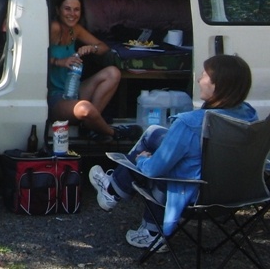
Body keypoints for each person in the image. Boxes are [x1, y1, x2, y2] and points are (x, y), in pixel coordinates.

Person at [88, 54, 258, 253]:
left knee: (156, 161)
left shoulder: (190, 123)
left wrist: (143, 160)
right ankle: (113, 191)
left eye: (203, 76)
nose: (198, 80)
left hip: (194, 195)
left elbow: (154, 170)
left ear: (218, 85)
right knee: (154, 133)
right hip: (236, 193)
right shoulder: (248, 114)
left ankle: (146, 226)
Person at [48, 0, 142, 141]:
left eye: (76, 10)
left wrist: (92, 48)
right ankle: (112, 132)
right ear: (58, 10)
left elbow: (103, 47)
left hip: (73, 89)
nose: (72, 14)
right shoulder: (54, 28)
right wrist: (59, 62)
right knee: (85, 108)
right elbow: (33, 54)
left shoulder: (74, 30)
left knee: (113, 72)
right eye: (67, 9)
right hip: (56, 97)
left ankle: (91, 124)